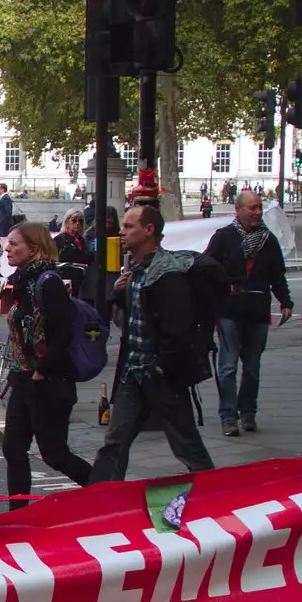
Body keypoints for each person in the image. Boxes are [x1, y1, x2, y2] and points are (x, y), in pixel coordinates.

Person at [90, 204, 215, 483]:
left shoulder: (167, 274)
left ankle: (216, 494)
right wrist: (120, 294)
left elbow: (177, 328)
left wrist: (162, 368)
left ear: (149, 231)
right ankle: (98, 501)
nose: (121, 232)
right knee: (114, 443)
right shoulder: (136, 271)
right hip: (133, 373)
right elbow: (135, 318)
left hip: (161, 375)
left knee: (186, 443)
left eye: (129, 226)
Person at [1, 222, 93, 507]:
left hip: (49, 382)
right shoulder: (24, 281)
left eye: (15, 244)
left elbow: (64, 331)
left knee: (54, 454)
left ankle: (108, 490)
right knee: (14, 450)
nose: (7, 248)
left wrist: (43, 371)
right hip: (23, 380)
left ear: (35, 248)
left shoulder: (48, 282)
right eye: (8, 243)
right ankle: (17, 516)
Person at [204, 191, 293, 436]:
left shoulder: (269, 240)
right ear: (238, 210)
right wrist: (224, 285)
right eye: (251, 208)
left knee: (252, 366)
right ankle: (228, 416)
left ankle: (248, 412)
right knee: (228, 366)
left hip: (257, 310)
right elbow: (207, 267)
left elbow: (277, 276)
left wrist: (285, 302)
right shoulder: (224, 237)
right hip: (230, 311)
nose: (256, 212)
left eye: (258, 207)